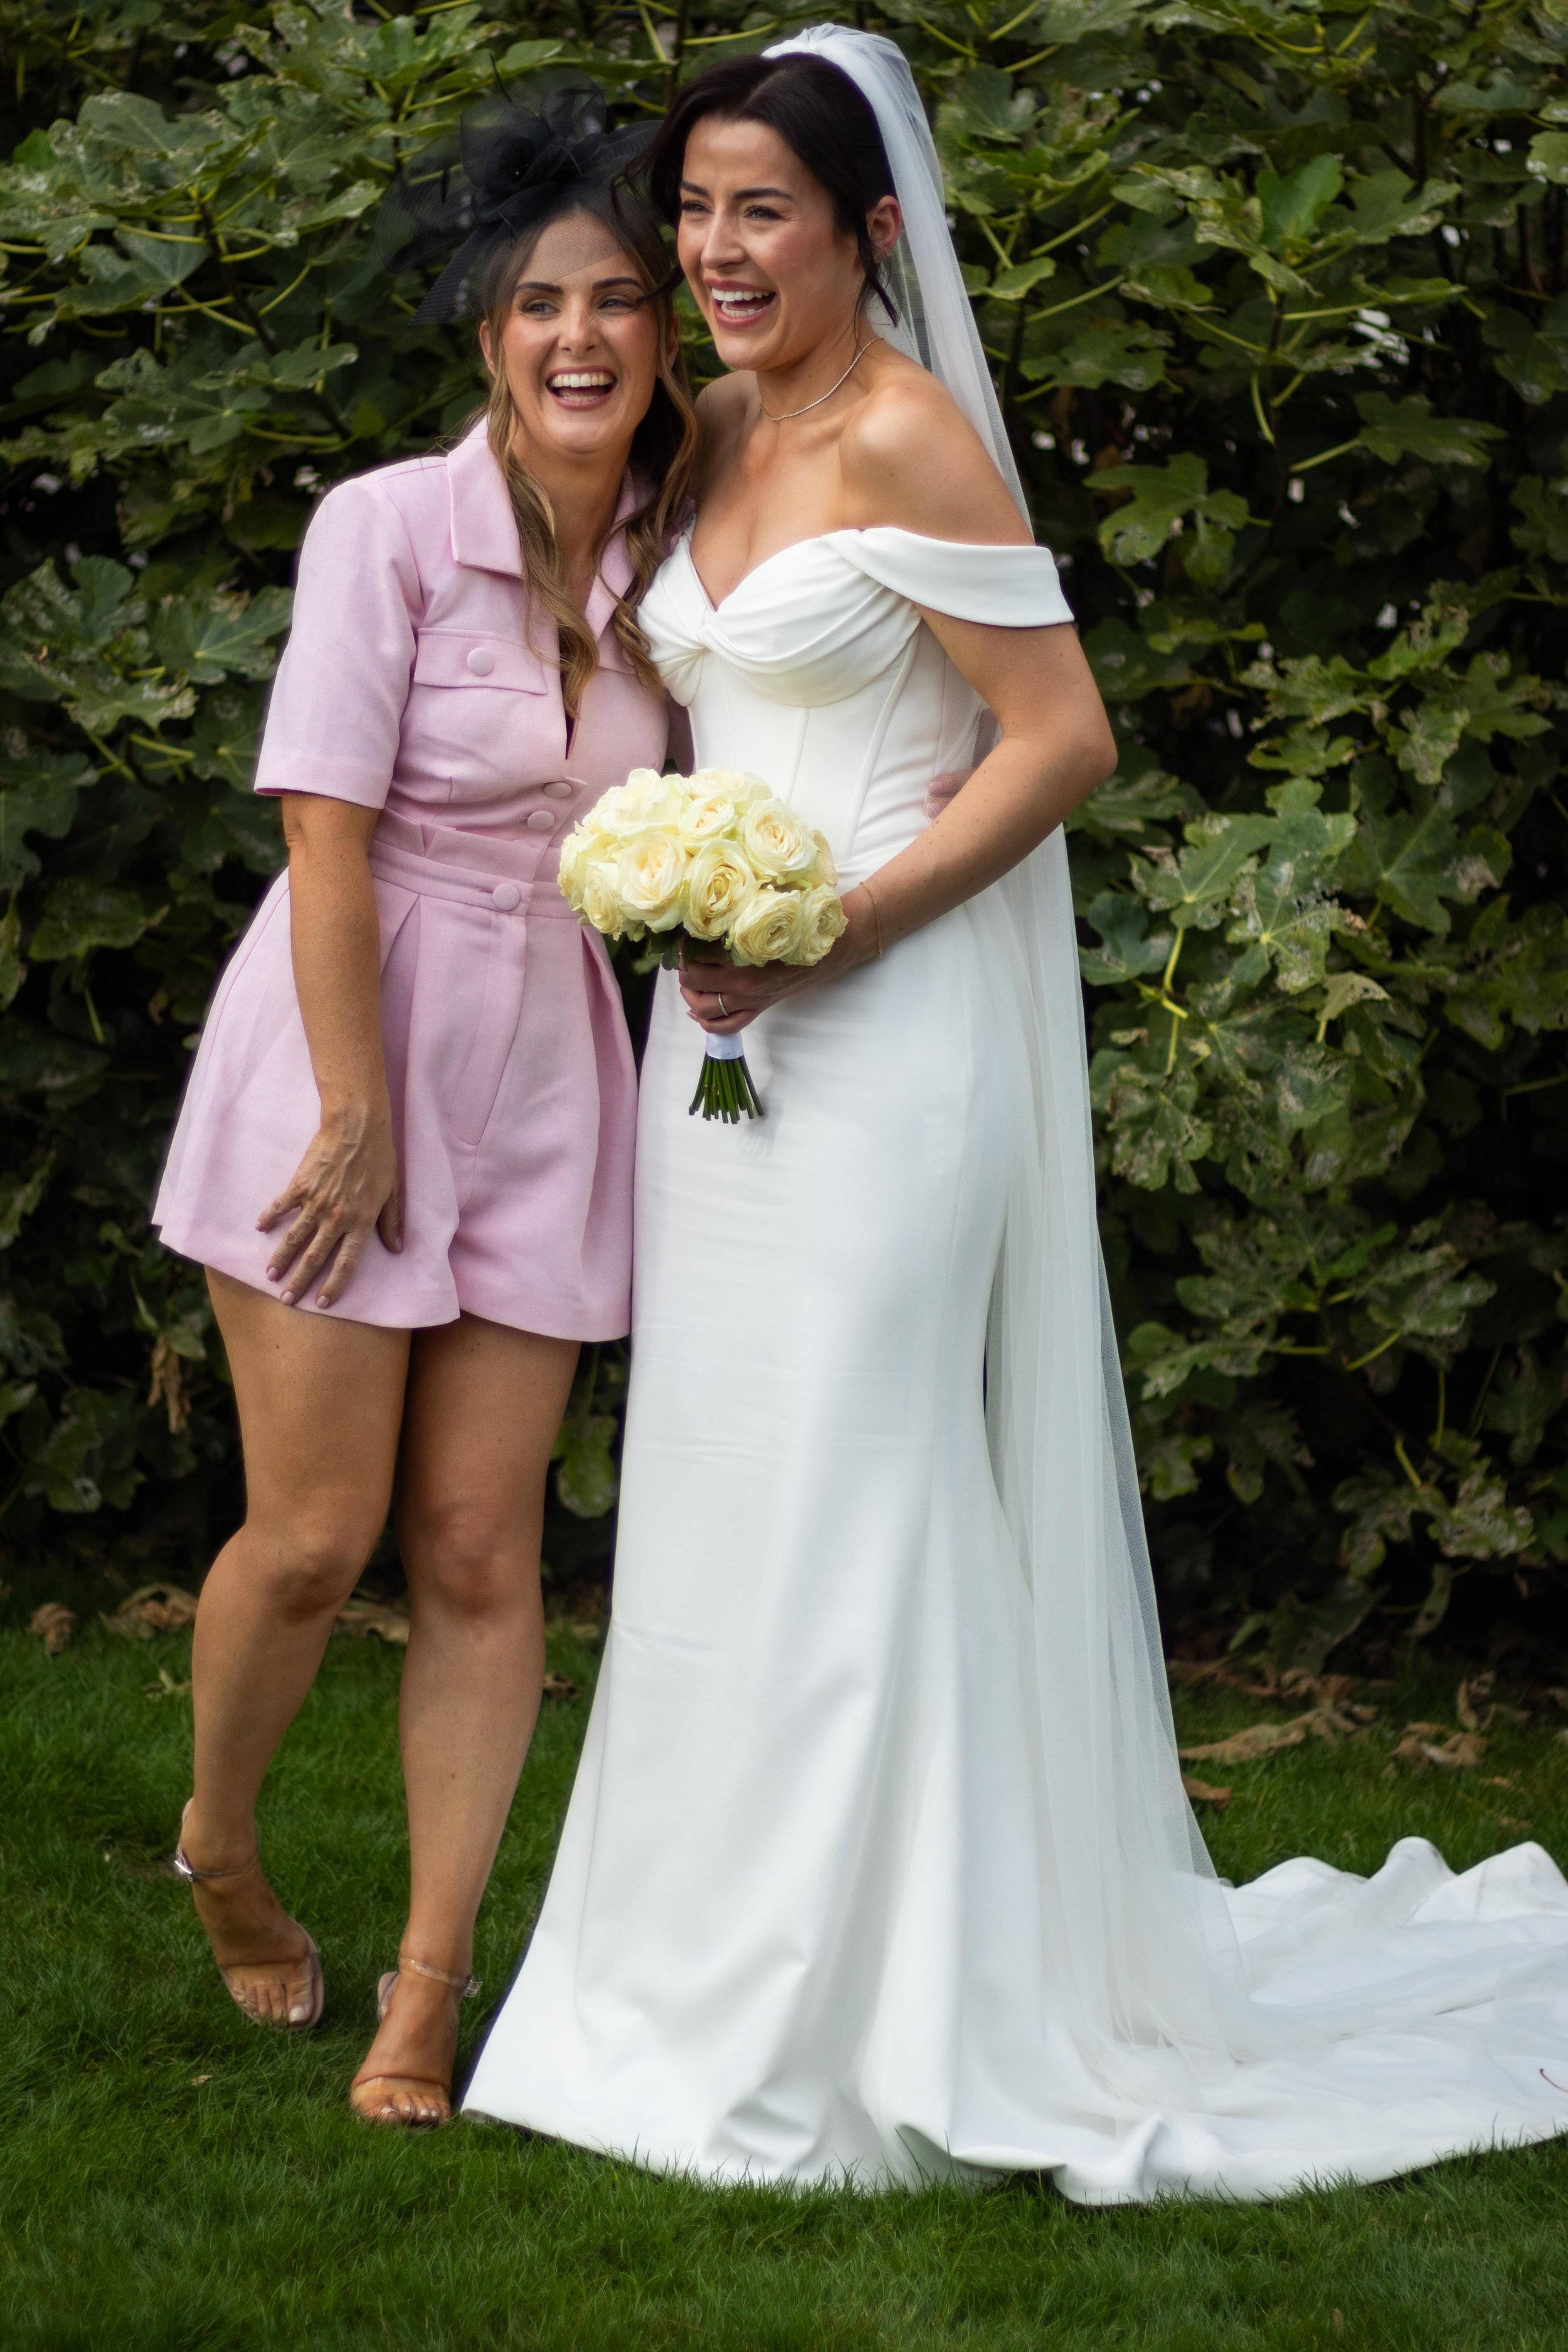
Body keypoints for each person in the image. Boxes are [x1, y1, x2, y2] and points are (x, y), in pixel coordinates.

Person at [464, 30, 1568, 2197]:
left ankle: (893, 2013)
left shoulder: (905, 435)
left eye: (757, 211)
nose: (711, 253)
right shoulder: (708, 433)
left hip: (884, 1023)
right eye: (691, 211)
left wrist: (836, 928)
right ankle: (687, 1983)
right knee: (721, 1495)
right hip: (723, 1035)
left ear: (871, 229)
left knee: (863, 1485)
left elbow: (1058, 744)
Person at [152, 79, 695, 2127]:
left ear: (661, 339)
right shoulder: (381, 525)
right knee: (311, 1537)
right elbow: (321, 831)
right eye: (541, 301)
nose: (580, 337)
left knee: (482, 1553)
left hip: (553, 1056)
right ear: (487, 333)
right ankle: (220, 1841)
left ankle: (426, 1991)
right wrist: (355, 1108)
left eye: (620, 302)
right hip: (341, 1027)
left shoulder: (675, 555)